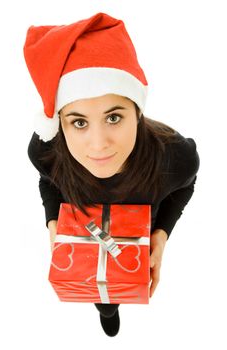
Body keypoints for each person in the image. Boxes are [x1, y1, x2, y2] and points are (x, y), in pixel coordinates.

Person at [24, 12, 200, 337]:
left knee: (118, 284)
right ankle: (106, 309)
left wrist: (160, 234)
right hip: (84, 234)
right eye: (78, 122)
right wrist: (53, 223)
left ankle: (112, 302)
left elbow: (184, 188)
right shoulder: (45, 151)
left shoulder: (175, 157)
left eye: (114, 117)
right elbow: (48, 180)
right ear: (59, 125)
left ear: (137, 113)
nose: (99, 145)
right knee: (102, 297)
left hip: (136, 241)